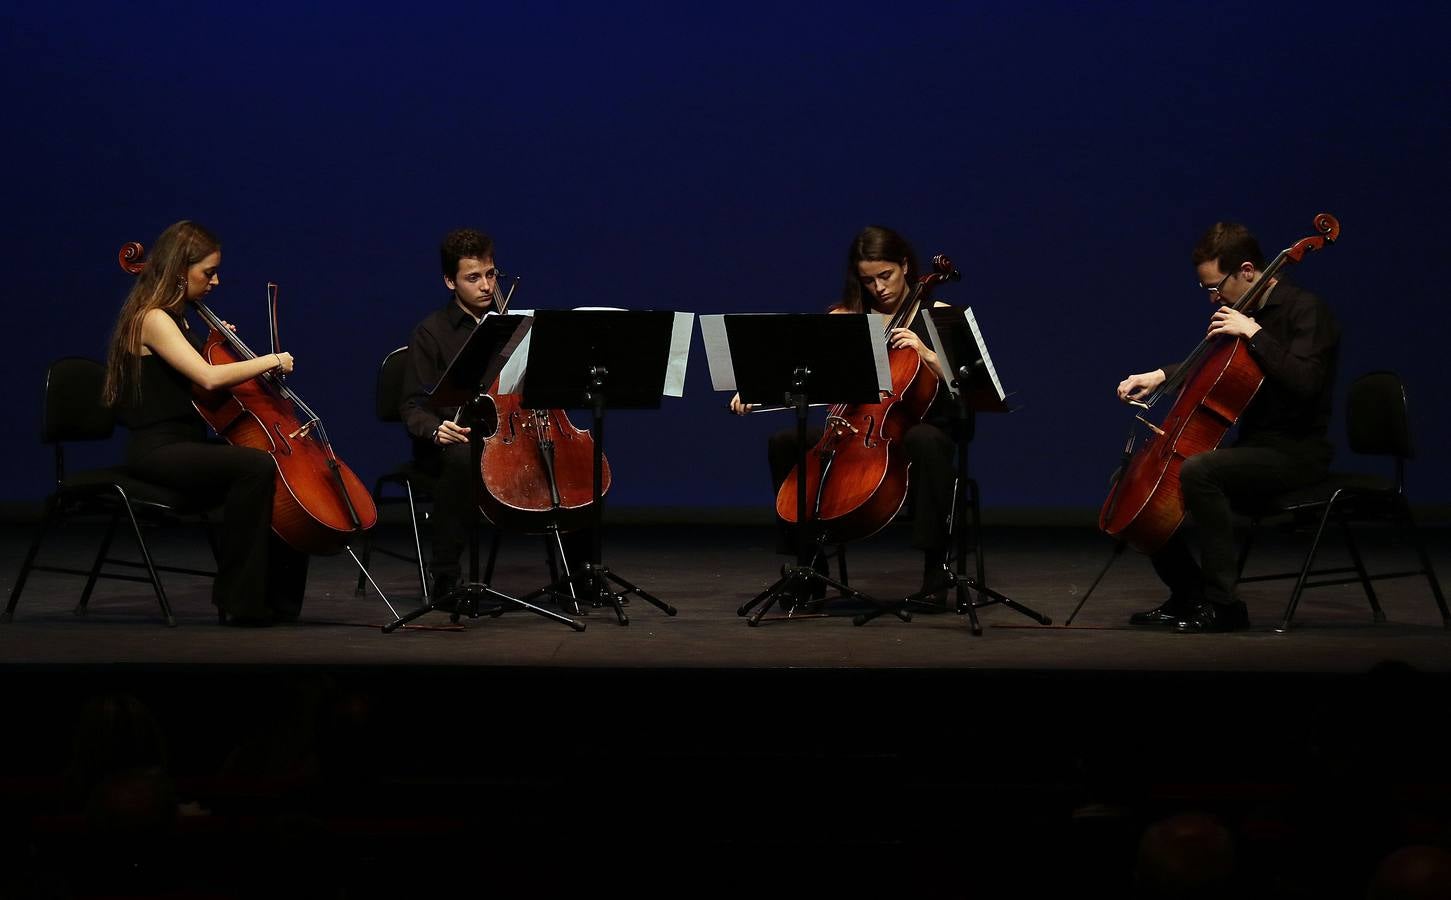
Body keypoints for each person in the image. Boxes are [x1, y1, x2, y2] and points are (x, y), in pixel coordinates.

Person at [1116, 221, 1340, 633]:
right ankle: (1187, 593)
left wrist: (1255, 334)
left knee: (1200, 470)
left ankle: (1224, 606)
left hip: (1297, 453)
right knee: (1138, 477)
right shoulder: (1243, 313)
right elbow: (1211, 370)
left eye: (1215, 287)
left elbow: (1307, 383)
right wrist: (1161, 375)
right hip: (1254, 447)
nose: (1213, 298)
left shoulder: (1305, 311)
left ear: (1248, 271)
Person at [731, 225, 959, 609]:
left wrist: (927, 353)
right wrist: (761, 390)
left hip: (918, 430)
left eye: (885, 276)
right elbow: (810, 380)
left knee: (926, 440)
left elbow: (962, 388)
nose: (879, 288)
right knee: (785, 442)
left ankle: (935, 572)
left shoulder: (940, 315)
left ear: (904, 265)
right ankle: (809, 565)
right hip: (858, 430)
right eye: (868, 280)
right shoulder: (847, 317)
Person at [103, 220, 309, 625]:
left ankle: (275, 601)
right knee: (255, 466)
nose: (215, 281)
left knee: (275, 469)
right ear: (180, 271)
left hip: (184, 444)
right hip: (157, 450)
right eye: (207, 272)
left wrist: (216, 346)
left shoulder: (178, 321)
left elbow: (204, 379)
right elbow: (208, 378)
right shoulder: (152, 318)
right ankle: (239, 600)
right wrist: (271, 360)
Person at [399, 228, 589, 604]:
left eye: (491, 275)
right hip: (459, 436)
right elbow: (411, 404)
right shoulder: (431, 333)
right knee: (459, 460)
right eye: (473, 278)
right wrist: (436, 429)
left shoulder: (518, 324)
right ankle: (446, 579)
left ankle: (583, 575)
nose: (486, 286)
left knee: (574, 462)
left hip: (513, 431)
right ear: (449, 281)